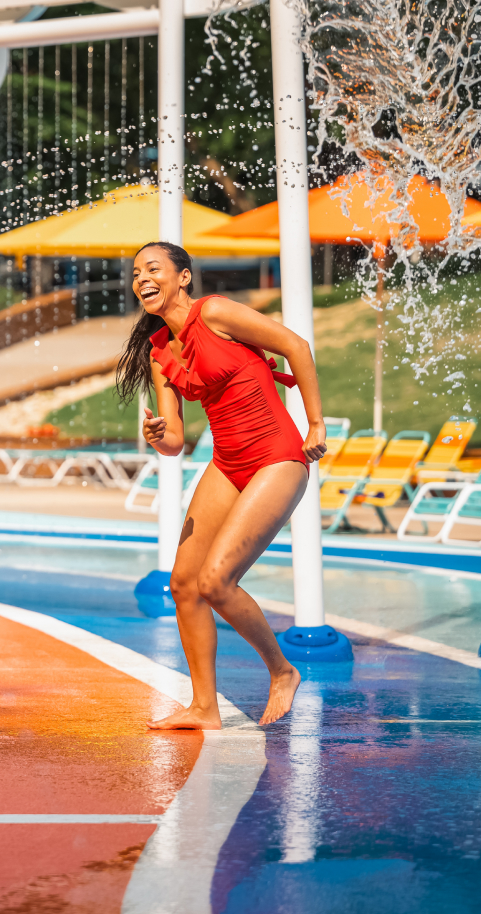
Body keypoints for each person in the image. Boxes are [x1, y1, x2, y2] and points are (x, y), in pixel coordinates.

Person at [116, 241, 326, 729]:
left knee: (216, 582)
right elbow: (175, 443)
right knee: (183, 585)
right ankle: (204, 708)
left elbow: (297, 346)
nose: (142, 279)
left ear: (183, 277)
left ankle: (282, 670)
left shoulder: (216, 313)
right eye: (135, 273)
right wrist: (157, 436)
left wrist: (314, 424)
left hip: (277, 456)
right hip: (228, 462)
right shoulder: (160, 352)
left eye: (153, 269)